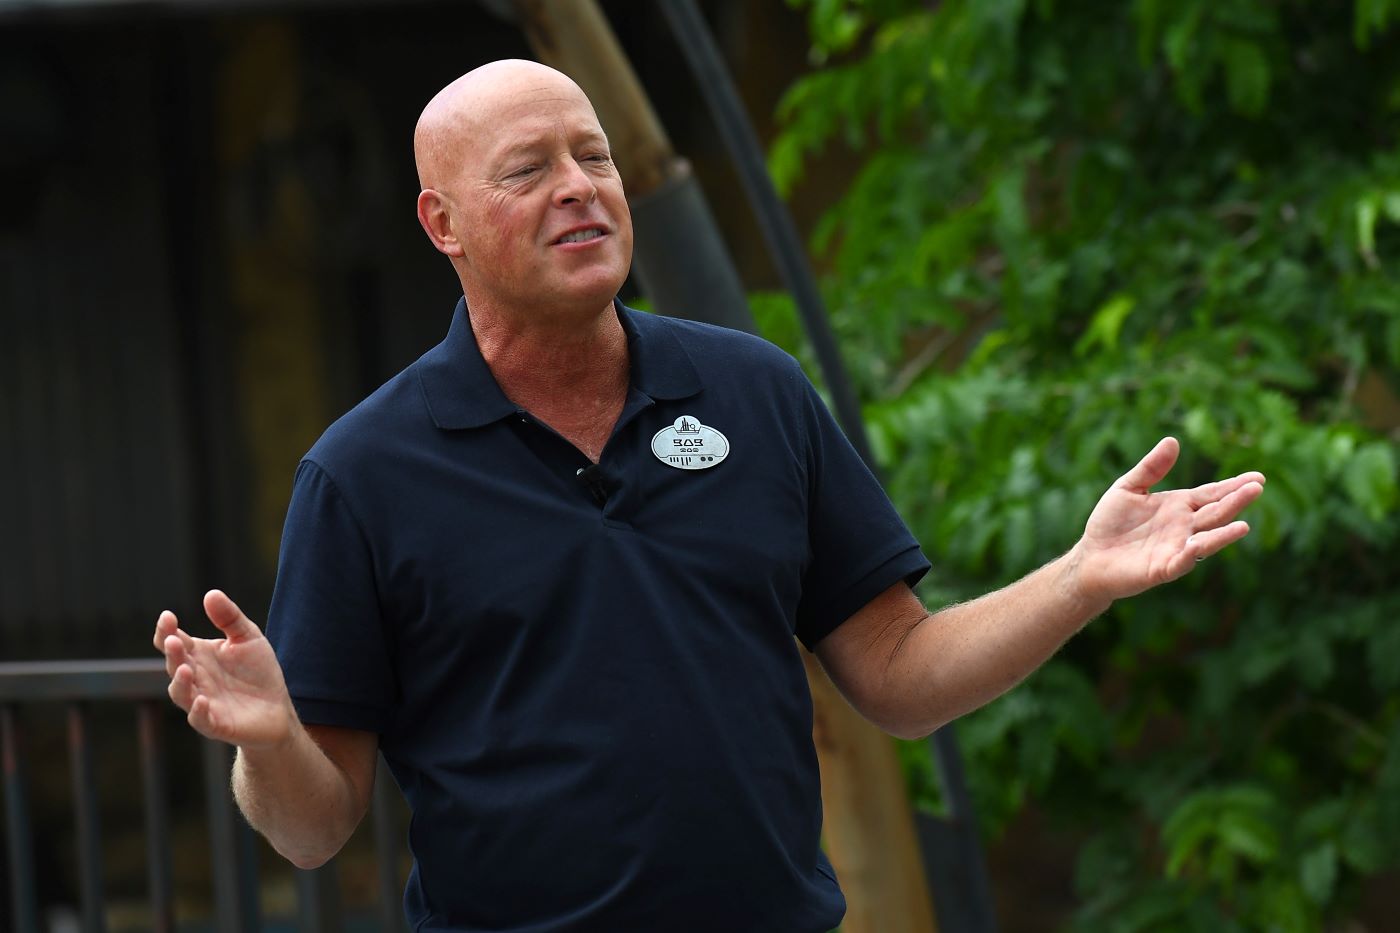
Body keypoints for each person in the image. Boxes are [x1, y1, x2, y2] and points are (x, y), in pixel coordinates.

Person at [153, 59, 1265, 932]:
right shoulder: (365, 473)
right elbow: (313, 829)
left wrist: (1077, 577)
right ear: (442, 225)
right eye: (528, 169)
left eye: (592, 155)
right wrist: (267, 741)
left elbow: (898, 679)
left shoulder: (754, 390)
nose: (580, 187)